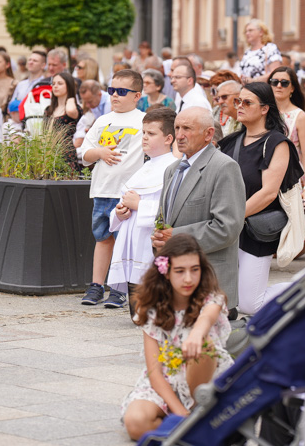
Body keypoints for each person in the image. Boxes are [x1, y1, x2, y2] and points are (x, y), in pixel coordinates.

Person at [121, 234, 235, 440]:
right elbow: (155, 372)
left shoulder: (211, 298)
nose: (188, 279)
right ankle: (185, 426)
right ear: (166, 272)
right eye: (180, 271)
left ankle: (193, 420)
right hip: (166, 381)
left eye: (194, 270)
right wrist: (179, 411)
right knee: (135, 422)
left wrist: (197, 334)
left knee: (204, 345)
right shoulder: (152, 308)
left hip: (203, 380)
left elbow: (208, 316)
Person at [218, 83, 303, 315]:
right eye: (238, 102)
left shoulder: (276, 143)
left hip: (255, 229)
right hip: (227, 228)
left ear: (265, 108)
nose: (240, 106)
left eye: (247, 102)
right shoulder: (230, 142)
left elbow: (268, 192)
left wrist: (233, 217)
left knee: (250, 304)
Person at [152, 108, 245, 315]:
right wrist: (158, 237)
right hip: (176, 287)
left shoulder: (224, 167)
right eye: (177, 128)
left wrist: (174, 237)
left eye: (187, 128)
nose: (179, 135)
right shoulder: (172, 169)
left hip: (209, 285)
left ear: (209, 134)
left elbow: (226, 228)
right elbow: (164, 218)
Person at [77, 70, 146, 306]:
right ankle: (97, 285)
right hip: (103, 190)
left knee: (125, 241)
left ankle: (119, 289)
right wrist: (100, 152)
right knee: (103, 238)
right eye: (112, 90)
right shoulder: (102, 120)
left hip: (126, 194)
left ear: (137, 95)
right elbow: (84, 155)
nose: (115, 96)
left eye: (122, 92)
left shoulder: (143, 120)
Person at [107, 108, 179, 311]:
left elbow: (173, 208)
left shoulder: (173, 168)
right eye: (144, 132)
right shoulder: (144, 167)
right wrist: (120, 213)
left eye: (151, 133)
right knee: (137, 311)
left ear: (168, 138)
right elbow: (124, 202)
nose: (144, 138)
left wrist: (139, 206)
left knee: (150, 308)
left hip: (149, 242)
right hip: (132, 239)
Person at [269, 67, 305, 203]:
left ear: (292, 88)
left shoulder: (300, 116)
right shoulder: (262, 113)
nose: (279, 86)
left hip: (292, 181)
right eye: (274, 82)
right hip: (265, 181)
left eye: (284, 83)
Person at [45, 71, 80, 172]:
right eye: (54, 83)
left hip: (66, 154)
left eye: (60, 84)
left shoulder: (74, 108)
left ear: (68, 86)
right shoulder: (48, 109)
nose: (55, 86)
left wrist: (70, 98)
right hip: (49, 152)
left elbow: (70, 111)